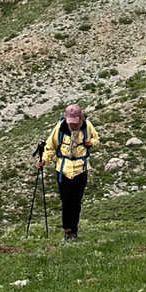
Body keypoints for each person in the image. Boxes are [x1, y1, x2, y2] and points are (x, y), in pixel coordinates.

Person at [36, 102, 100, 241]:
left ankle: (74, 231)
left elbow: (96, 139)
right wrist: (44, 161)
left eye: (75, 122)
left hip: (81, 169)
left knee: (76, 202)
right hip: (63, 170)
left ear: (80, 118)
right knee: (66, 201)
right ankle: (67, 230)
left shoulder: (87, 126)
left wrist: (91, 143)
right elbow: (50, 146)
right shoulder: (59, 128)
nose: (73, 125)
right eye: (70, 122)